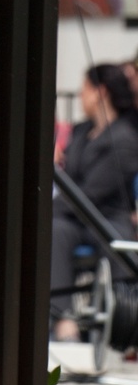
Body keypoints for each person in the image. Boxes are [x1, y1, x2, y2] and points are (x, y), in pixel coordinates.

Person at [51, 63, 138, 341]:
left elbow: (91, 194)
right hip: (77, 218)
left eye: (85, 88)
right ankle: (63, 319)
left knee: (109, 241)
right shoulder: (82, 131)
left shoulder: (124, 139)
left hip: (106, 219)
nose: (79, 95)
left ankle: (117, 332)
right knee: (56, 230)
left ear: (100, 92)